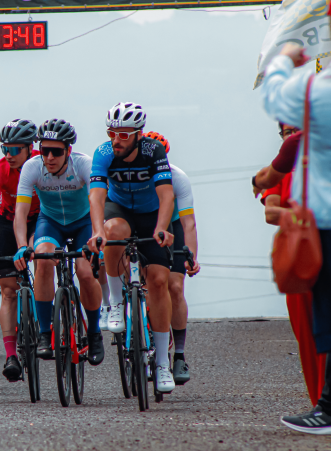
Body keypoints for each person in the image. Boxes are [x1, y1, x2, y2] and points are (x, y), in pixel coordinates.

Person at [258, 34, 331, 433]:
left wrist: (284, 58)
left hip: (321, 241)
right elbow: (270, 204)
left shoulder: (302, 145)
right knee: (316, 333)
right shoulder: (298, 152)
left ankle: (327, 407)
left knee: (327, 326)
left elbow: (275, 93)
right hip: (309, 251)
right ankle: (322, 402)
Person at [87, 102, 176, 394]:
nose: (116, 140)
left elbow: (166, 195)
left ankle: (162, 363)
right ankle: (115, 301)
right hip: (120, 209)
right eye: (112, 133)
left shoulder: (153, 151)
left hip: (151, 215)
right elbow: (96, 196)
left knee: (159, 281)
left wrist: (162, 228)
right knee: (113, 231)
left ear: (139, 134)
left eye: (124, 135)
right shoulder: (103, 153)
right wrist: (98, 231)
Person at [12, 119, 103, 370]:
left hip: (83, 222)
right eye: (44, 151)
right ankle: (45, 332)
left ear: (68, 150)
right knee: (42, 260)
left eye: (56, 152)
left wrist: (98, 234)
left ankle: (94, 333)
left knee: (85, 271)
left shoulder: (83, 164)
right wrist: (22, 246)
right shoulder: (32, 167)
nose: (50, 157)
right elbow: (20, 213)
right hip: (50, 222)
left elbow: (97, 202)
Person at [257, 123, 324, 408]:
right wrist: (302, 217)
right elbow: (271, 212)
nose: (294, 135)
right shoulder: (282, 170)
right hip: (302, 259)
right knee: (308, 336)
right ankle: (320, 405)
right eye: (287, 132)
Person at [0, 119, 41, 381]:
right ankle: (11, 355)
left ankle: (49, 322)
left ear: (29, 148)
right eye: (5, 149)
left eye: (14, 150)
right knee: (8, 291)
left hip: (40, 218)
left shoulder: (42, 163)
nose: (8, 155)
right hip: (7, 221)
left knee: (45, 260)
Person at [144, 131, 201, 384]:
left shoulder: (177, 178)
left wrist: (191, 256)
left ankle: (178, 355)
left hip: (173, 227)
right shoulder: (130, 174)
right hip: (144, 226)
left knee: (175, 287)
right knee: (143, 284)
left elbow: (189, 224)